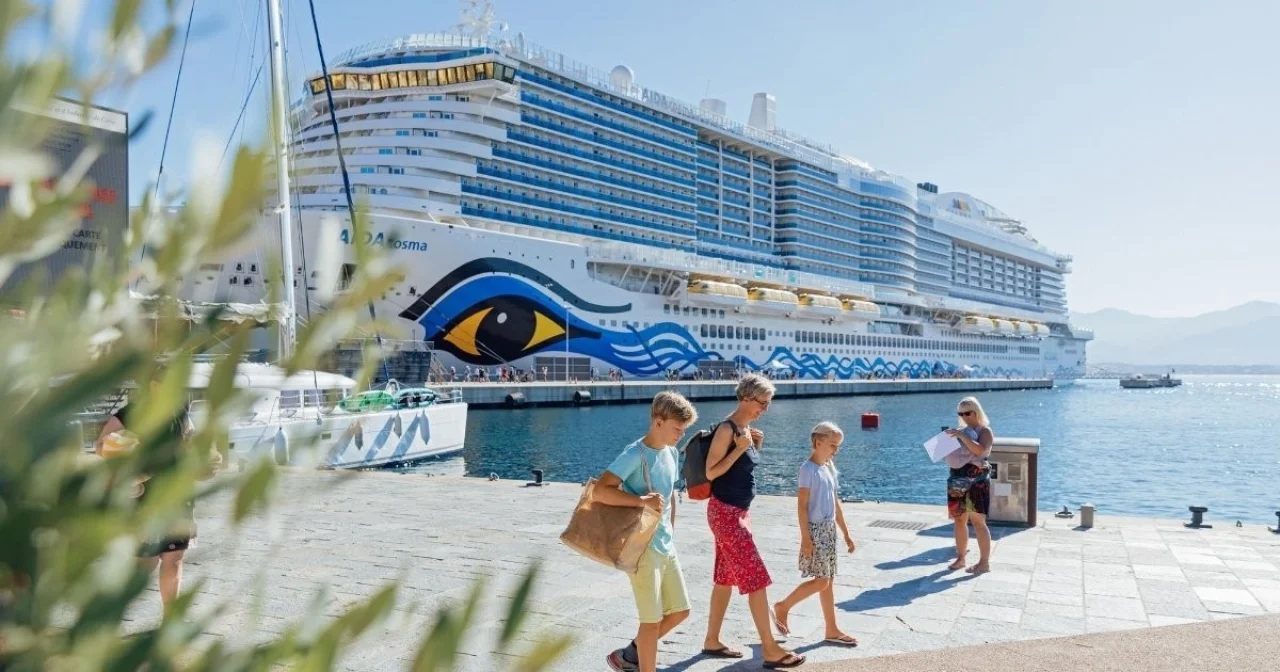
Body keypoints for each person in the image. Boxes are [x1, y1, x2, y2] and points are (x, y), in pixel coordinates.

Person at [94, 369, 220, 613]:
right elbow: (101, 445)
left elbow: (192, 441)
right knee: (144, 564)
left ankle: (170, 619)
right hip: (144, 498)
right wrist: (128, 448)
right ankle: (108, 615)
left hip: (176, 496)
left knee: (174, 560)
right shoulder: (131, 412)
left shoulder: (179, 412)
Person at [701, 374, 804, 669]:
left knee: (725, 579)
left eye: (768, 403)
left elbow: (741, 471)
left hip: (736, 513)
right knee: (755, 578)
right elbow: (711, 472)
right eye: (763, 402)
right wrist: (738, 448)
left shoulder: (744, 429)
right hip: (726, 514)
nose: (766, 408)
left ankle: (711, 639)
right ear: (746, 398)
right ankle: (770, 649)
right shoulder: (727, 429)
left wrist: (754, 445)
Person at [594, 391, 699, 672]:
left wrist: (671, 532)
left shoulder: (672, 453)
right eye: (677, 428)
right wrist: (640, 501)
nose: (680, 434)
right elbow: (600, 491)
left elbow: (671, 496)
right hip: (641, 548)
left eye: (683, 429)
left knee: (680, 611)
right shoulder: (634, 454)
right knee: (650, 621)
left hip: (665, 545)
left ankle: (629, 656)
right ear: (658, 421)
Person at [772, 422, 858, 646]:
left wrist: (846, 534)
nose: (835, 450)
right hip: (815, 530)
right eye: (832, 445)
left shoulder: (828, 468)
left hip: (829, 530)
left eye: (838, 446)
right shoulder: (807, 470)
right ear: (818, 442)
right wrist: (805, 538)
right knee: (821, 581)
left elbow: (835, 503)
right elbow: (801, 506)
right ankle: (783, 606)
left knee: (828, 582)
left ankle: (831, 628)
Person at [945, 396, 995, 574]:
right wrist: (943, 446)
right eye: (961, 413)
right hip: (957, 479)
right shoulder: (961, 431)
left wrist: (962, 436)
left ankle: (984, 562)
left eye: (967, 413)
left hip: (977, 483)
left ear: (976, 412)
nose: (964, 417)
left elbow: (980, 450)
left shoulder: (985, 431)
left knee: (978, 522)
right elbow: (949, 457)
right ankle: (961, 558)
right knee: (959, 520)